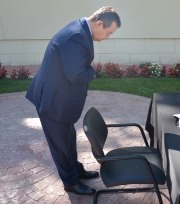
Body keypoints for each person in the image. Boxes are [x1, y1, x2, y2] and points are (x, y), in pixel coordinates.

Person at [25, 6, 121, 195]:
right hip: (52, 101)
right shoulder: (76, 36)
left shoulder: (81, 29)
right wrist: (92, 71)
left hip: (58, 96)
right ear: (99, 23)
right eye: (109, 33)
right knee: (60, 145)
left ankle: (75, 170)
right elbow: (76, 74)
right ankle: (70, 182)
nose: (107, 37)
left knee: (68, 138)